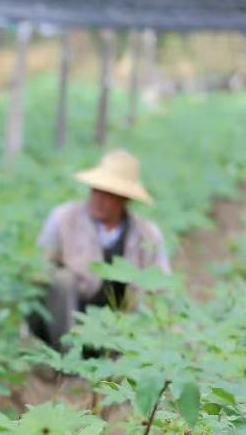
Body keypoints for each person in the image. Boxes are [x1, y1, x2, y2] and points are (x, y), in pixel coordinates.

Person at [28, 149, 171, 353]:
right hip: (67, 316)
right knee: (62, 280)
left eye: (108, 194)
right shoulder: (64, 218)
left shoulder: (147, 234)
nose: (98, 198)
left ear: (124, 199)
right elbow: (39, 269)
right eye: (96, 190)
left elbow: (161, 287)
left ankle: (122, 358)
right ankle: (68, 360)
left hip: (118, 323)